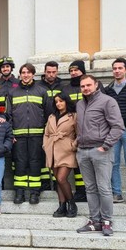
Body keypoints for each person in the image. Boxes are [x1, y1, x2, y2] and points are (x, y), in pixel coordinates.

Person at [75, 75, 124, 236]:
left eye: (88, 85)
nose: (86, 88)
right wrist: (77, 143)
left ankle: (107, 221)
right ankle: (94, 221)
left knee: (104, 188)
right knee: (90, 188)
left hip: (100, 151)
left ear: (96, 85)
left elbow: (117, 126)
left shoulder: (107, 101)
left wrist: (105, 146)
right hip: (83, 151)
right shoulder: (80, 104)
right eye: (83, 86)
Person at [6, 63, 48, 205]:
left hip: (37, 135)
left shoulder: (42, 91)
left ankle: (35, 193)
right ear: (20, 74)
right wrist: (11, 135)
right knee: (20, 163)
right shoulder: (12, 93)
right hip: (19, 135)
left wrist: (46, 135)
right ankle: (20, 191)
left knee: (35, 162)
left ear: (33, 74)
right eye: (23, 72)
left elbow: (48, 115)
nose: (25, 75)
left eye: (28, 72)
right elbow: (8, 115)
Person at [103, 57, 126, 205]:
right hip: (113, 131)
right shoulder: (108, 90)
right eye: (115, 68)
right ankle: (116, 193)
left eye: (120, 68)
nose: (117, 71)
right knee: (114, 163)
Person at [60, 60, 94, 202]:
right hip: (72, 131)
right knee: (77, 163)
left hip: (91, 131)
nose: (73, 73)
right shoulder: (65, 89)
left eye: (76, 70)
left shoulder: (93, 87)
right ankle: (80, 191)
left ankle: (90, 190)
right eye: (71, 70)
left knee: (89, 163)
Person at [43, 93, 79, 218]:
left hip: (66, 150)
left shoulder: (73, 116)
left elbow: (79, 133)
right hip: (52, 150)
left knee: (61, 178)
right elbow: (46, 133)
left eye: (61, 101)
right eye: (56, 101)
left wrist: (73, 145)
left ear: (66, 102)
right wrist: (45, 145)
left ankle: (72, 203)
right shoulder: (52, 116)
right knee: (58, 180)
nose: (58, 103)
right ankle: (62, 206)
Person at [36, 61, 64, 192]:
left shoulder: (63, 86)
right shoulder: (38, 86)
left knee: (57, 156)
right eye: (48, 72)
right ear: (44, 72)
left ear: (57, 72)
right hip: (42, 125)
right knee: (42, 155)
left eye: (54, 72)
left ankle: (57, 183)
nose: (51, 74)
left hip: (58, 126)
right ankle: (45, 183)